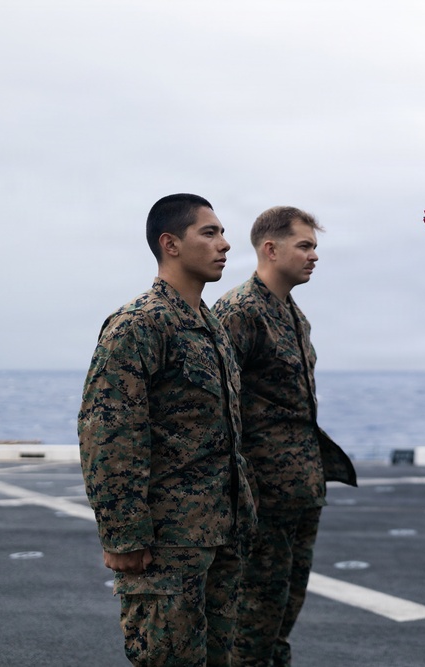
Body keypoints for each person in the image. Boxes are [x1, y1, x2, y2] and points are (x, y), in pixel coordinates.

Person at [79, 193, 256, 666]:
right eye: (210, 232)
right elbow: (109, 433)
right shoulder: (138, 325)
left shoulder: (211, 327)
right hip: (166, 543)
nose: (225, 244)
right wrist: (123, 535)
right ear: (170, 244)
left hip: (220, 534)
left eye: (222, 233)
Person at [213, 206, 356, 667]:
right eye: (305, 246)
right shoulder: (240, 312)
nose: (315, 256)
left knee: (283, 611)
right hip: (261, 496)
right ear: (270, 249)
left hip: (299, 489)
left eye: (315, 246)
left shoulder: (293, 313)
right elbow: (219, 406)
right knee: (253, 616)